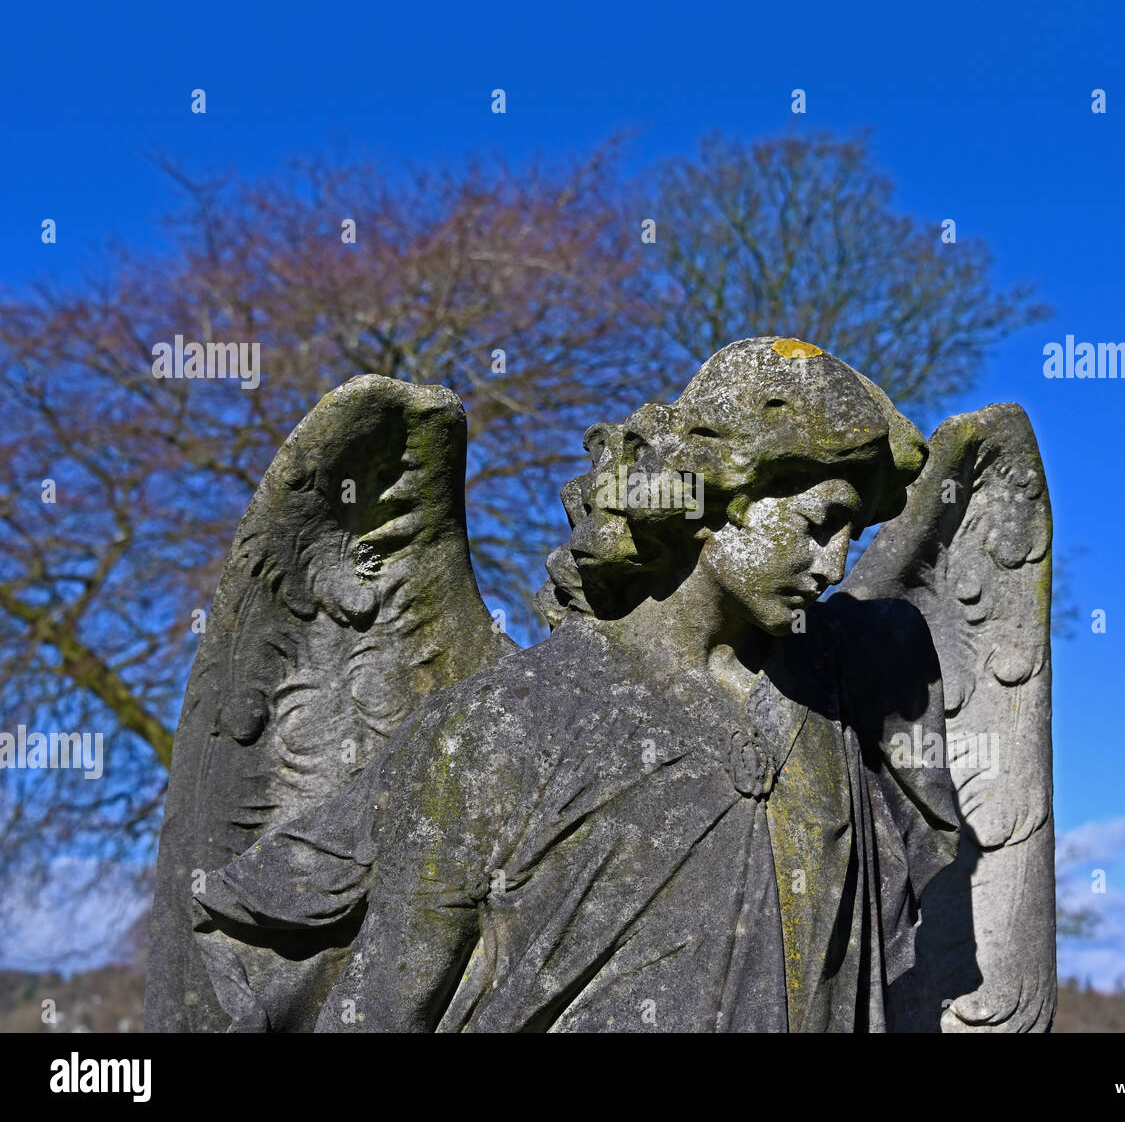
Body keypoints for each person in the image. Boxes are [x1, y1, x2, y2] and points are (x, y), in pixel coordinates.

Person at [192, 337, 961, 1031]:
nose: (834, 566)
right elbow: (381, 1011)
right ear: (714, 492)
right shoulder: (500, 723)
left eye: (853, 536)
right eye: (819, 522)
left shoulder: (829, 707)